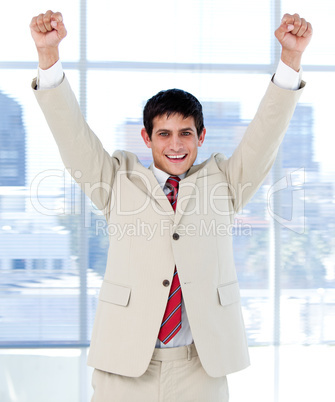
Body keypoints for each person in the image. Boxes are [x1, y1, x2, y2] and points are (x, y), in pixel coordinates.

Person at [30, 10, 312, 402]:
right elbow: (72, 135)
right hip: (126, 366)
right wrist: (48, 57)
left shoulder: (225, 183)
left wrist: (290, 61)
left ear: (201, 137)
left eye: (185, 133)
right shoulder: (116, 182)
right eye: (163, 134)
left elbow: (265, 135)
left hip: (200, 365)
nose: (175, 144)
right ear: (147, 137)